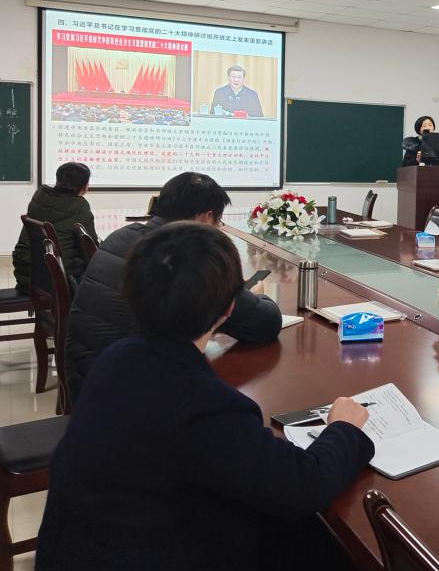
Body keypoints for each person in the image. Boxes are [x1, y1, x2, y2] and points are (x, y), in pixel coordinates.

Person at [36, 222, 374, 570]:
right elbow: (303, 486)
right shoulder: (200, 403)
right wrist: (344, 428)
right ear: (229, 310)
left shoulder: (116, 359)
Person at [66, 171, 283, 402]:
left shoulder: (121, 236)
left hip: (85, 377)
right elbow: (265, 324)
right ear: (207, 217)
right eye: (218, 222)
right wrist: (258, 295)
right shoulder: (189, 256)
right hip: (132, 395)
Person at [12, 162, 96, 293]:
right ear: (85, 187)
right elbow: (91, 249)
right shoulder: (80, 208)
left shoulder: (39, 199)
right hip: (57, 280)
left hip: (25, 275)